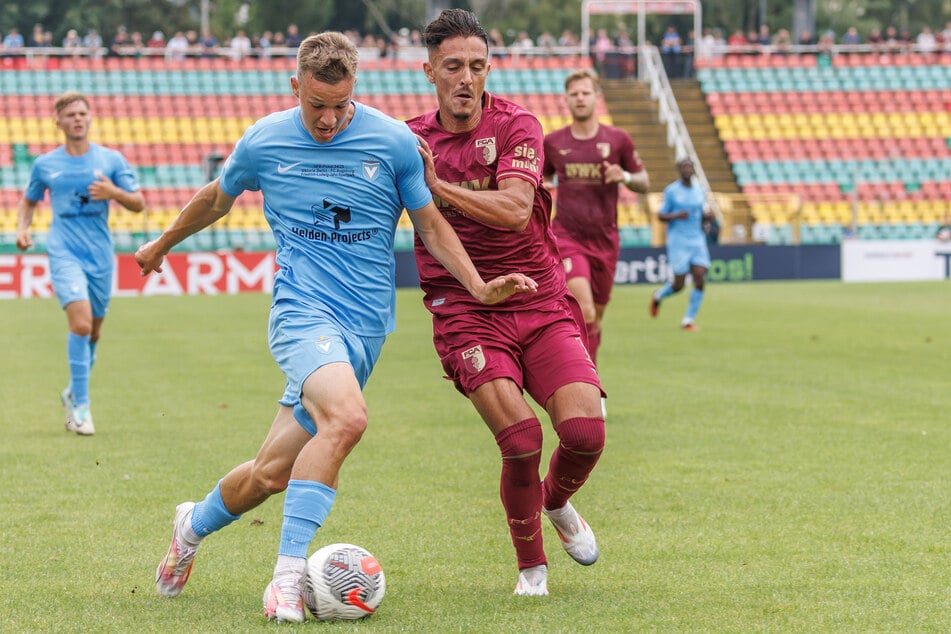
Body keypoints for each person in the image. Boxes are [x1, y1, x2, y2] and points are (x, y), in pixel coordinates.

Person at [135, 31, 535, 623]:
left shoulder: (394, 141)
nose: (326, 120)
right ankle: (287, 580)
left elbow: (429, 224)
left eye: (339, 106)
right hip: (301, 314)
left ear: (355, 91)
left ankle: (190, 525)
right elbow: (217, 200)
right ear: (296, 86)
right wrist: (161, 244)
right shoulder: (266, 140)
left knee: (271, 473)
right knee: (348, 418)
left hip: (365, 330)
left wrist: (478, 286)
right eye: (315, 105)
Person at [407, 9, 606, 597]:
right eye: (452, 67)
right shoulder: (409, 139)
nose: (465, 78)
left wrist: (434, 186)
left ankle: (556, 501)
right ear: (429, 72)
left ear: (488, 68)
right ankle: (532, 573)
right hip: (465, 308)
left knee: (585, 433)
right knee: (520, 441)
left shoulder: (519, 125)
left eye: (476, 65)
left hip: (539, 297)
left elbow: (518, 208)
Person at [15, 91, 146, 435]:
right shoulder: (45, 164)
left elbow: (138, 203)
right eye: (70, 114)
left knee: (94, 331)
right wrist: (23, 228)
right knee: (82, 325)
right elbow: (28, 201)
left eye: (82, 113)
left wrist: (114, 193)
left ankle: (73, 389)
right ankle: (82, 409)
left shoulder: (111, 160)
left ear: (90, 118)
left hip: (100, 254)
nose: (77, 119)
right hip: (64, 251)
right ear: (58, 122)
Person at [543, 68, 648, 373]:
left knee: (597, 318)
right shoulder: (554, 142)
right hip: (567, 236)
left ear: (596, 98)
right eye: (574, 94)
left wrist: (625, 176)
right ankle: (586, 386)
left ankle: (591, 377)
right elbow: (542, 177)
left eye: (585, 93)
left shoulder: (618, 140)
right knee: (584, 311)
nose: (579, 98)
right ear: (566, 100)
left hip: (605, 239)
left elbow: (644, 180)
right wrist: (544, 185)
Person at [649, 158, 712, 331]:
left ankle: (688, 320)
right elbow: (661, 216)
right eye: (685, 167)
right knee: (679, 285)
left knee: (699, 276)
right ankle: (659, 295)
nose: (688, 170)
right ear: (679, 170)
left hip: (697, 239)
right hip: (678, 241)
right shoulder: (671, 191)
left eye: (690, 167)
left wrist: (708, 217)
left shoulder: (700, 191)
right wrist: (676, 215)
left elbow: (702, 215)